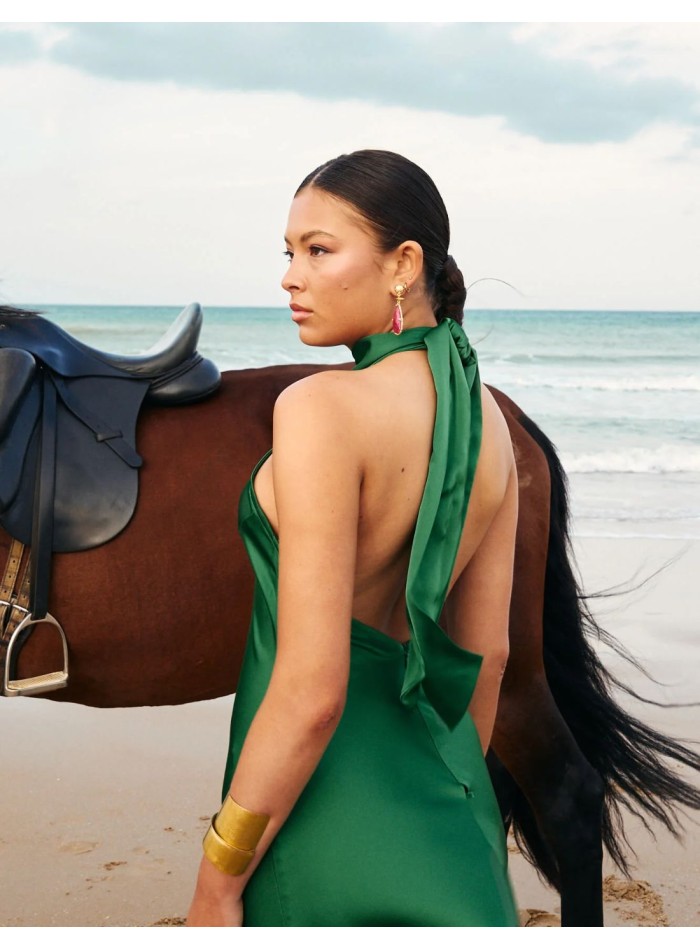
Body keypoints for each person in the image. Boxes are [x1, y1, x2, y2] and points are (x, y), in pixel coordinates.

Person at [187, 149, 520, 927]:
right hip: (452, 832)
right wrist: (447, 805)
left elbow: (310, 693)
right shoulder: (491, 422)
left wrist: (219, 874)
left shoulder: (320, 410)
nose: (289, 277)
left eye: (318, 249)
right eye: (289, 252)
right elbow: (489, 656)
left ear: (403, 264)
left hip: (322, 823)